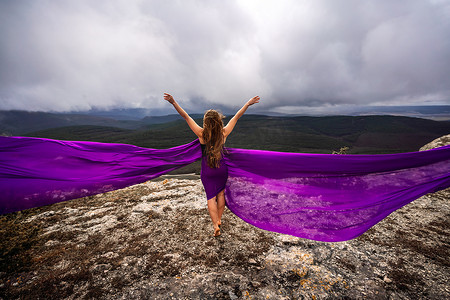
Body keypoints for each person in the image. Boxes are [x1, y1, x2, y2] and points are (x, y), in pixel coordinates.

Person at [164, 93, 260, 236]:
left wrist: (173, 102)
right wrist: (247, 104)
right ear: (219, 121)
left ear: (205, 122)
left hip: (207, 170)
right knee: (221, 194)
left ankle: (215, 224)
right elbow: (236, 117)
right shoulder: (224, 133)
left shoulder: (201, 134)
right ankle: (219, 219)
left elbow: (186, 117)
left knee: (210, 197)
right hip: (222, 168)